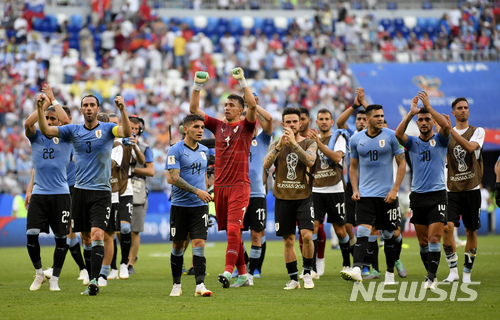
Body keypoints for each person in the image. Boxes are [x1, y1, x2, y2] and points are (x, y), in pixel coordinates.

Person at [38, 93, 131, 295]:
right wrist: (39, 109)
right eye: (85, 105)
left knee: (98, 234)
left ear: (98, 109)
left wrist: (123, 109)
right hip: (80, 191)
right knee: (86, 238)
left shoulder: (107, 129)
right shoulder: (73, 130)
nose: (89, 108)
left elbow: (126, 131)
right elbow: (45, 130)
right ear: (81, 110)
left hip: (101, 192)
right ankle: (90, 275)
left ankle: (95, 281)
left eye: (92, 105)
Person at [189, 67, 257, 288]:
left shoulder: (246, 127)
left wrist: (242, 81)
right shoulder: (218, 126)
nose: (226, 108)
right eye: (225, 105)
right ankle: (244, 274)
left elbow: (253, 106)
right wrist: (197, 86)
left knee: (234, 230)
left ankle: (228, 272)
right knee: (231, 231)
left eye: (231, 105)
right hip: (220, 187)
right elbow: (193, 110)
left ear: (241, 110)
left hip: (239, 186)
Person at [340, 104, 406, 284]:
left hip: (387, 195)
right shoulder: (356, 139)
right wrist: (355, 189)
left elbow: (402, 164)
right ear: (368, 119)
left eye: (382, 116)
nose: (380, 119)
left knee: (388, 234)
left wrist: (395, 189)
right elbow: (352, 167)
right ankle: (356, 268)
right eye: (376, 116)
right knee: (362, 230)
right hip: (366, 195)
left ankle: (390, 274)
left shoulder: (392, 136)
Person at [395, 91, 450, 290]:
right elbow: (398, 135)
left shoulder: (441, 140)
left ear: (432, 122)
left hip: (437, 194)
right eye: (421, 120)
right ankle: (431, 275)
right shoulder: (413, 143)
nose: (424, 122)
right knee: (423, 241)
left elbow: (445, 126)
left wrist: (430, 107)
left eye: (427, 119)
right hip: (417, 196)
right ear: (417, 123)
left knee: (435, 238)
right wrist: (411, 113)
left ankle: (430, 277)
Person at [263, 107, 317, 290]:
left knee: (307, 235)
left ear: (300, 123)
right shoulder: (276, 144)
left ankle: (308, 273)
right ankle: (293, 279)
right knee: (288, 240)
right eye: (288, 122)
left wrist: (293, 144)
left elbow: (310, 161)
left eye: (295, 121)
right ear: (283, 124)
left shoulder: (309, 142)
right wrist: (279, 146)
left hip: (303, 196)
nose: (292, 125)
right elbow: (265, 164)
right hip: (282, 197)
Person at [25, 92, 72, 291]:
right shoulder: (35, 137)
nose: (50, 121)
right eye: (47, 118)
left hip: (61, 194)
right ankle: (39, 273)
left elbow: (68, 120)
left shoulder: (67, 137)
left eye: (54, 118)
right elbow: (28, 124)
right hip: (39, 194)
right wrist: (41, 108)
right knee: (31, 235)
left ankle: (55, 279)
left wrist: (53, 101)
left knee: (61, 239)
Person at [166, 114, 213, 297]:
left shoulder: (204, 150)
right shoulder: (175, 150)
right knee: (178, 246)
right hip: (180, 205)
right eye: (196, 127)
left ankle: (200, 284)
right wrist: (197, 191)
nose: (200, 130)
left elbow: (202, 175)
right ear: (185, 129)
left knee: (199, 242)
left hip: (199, 206)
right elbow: (174, 178)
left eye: (202, 127)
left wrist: (206, 191)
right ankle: (176, 284)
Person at [442, 97, 485, 283]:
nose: (463, 110)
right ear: (453, 112)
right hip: (451, 189)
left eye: (466, 107)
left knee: (471, 231)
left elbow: (469, 147)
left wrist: (449, 129)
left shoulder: (478, 131)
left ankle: (467, 272)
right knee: (447, 227)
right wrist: (443, 130)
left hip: (472, 188)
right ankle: (453, 271)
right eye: (459, 108)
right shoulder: (445, 134)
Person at [307, 108, 350, 274]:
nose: (324, 121)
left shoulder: (338, 137)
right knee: (314, 228)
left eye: (327, 119)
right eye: (321, 119)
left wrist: (318, 143)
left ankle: (346, 263)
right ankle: (312, 268)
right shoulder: (311, 140)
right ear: (316, 122)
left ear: (332, 122)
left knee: (340, 230)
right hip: (317, 189)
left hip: (335, 188)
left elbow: (337, 157)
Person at [239, 94, 273, 285]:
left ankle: (251, 273)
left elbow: (269, 119)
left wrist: (253, 106)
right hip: (238, 194)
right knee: (235, 234)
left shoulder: (262, 140)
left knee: (256, 234)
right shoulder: (235, 140)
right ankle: (242, 267)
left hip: (257, 194)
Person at [128, 115, 155, 275]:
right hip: (121, 188)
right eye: (130, 128)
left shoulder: (144, 147)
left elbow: (151, 171)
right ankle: (128, 256)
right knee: (119, 229)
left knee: (135, 230)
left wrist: (132, 171)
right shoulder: (117, 145)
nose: (132, 131)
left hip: (137, 191)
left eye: (135, 129)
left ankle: (131, 262)